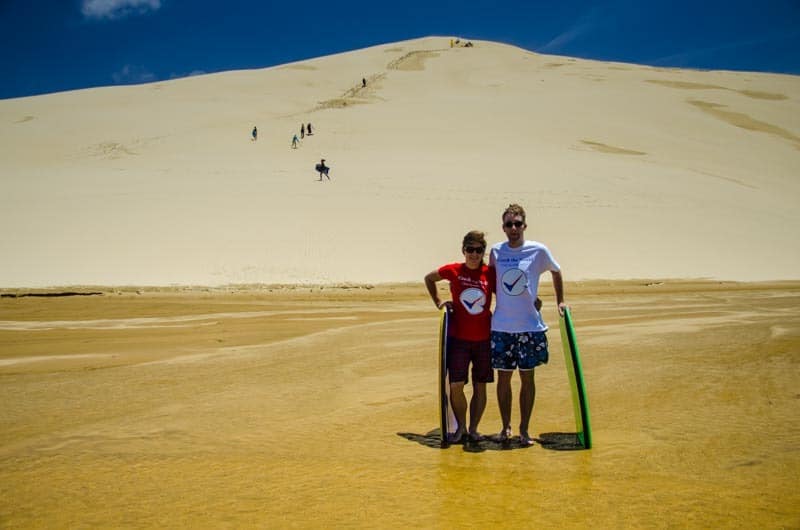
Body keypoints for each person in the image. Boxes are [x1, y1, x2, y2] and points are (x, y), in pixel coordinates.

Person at [490, 203, 566, 446]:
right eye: (509, 224)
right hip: (502, 326)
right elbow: (488, 280)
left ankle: (524, 429)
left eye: (518, 223)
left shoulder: (537, 250)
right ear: (503, 228)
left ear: (524, 225)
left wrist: (560, 302)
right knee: (503, 379)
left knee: (527, 379)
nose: (514, 228)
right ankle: (505, 427)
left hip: (529, 327)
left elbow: (556, 271)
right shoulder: (496, 251)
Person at [425, 230, 495, 443]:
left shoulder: (490, 273)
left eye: (478, 250)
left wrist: (532, 303)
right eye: (470, 250)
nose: (474, 254)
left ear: (483, 252)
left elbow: (509, 296)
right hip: (459, 340)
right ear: (463, 250)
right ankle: (461, 427)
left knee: (480, 385)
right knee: (456, 385)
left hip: (484, 339)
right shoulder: (453, 270)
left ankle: (474, 429)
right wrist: (438, 302)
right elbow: (429, 278)